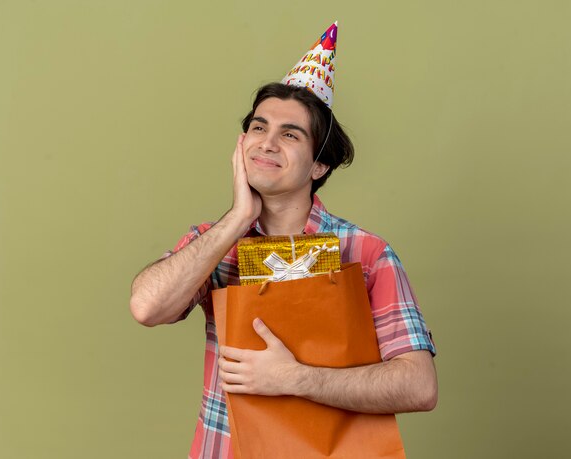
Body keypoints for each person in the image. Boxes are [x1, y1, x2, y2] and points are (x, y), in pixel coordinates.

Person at [130, 22, 437, 459]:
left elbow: (419, 386)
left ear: (319, 166)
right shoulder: (213, 244)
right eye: (258, 128)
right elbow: (147, 307)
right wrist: (238, 218)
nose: (267, 143)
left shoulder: (367, 254)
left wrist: (296, 378)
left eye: (290, 134)